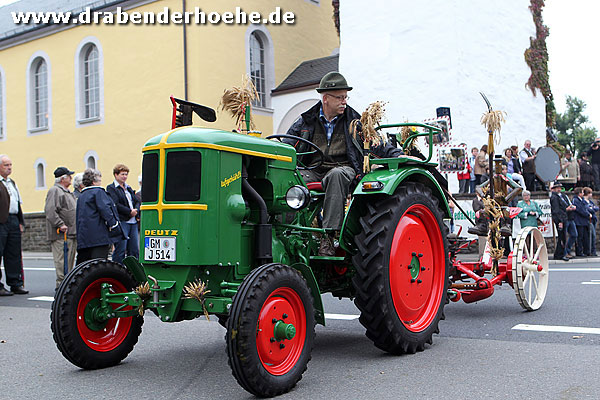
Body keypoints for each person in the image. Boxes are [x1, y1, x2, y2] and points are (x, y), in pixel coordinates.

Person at [285, 71, 402, 256]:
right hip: (314, 170)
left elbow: (377, 144)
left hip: (344, 169)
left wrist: (399, 155)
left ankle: (329, 237)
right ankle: (288, 231)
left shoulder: (355, 122)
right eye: (339, 97)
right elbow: (287, 145)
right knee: (290, 178)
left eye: (346, 97)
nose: (344, 102)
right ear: (325, 99)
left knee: (336, 175)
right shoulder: (306, 120)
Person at [76, 169, 123, 264]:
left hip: (84, 236)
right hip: (99, 235)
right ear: (94, 182)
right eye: (99, 180)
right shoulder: (98, 192)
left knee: (85, 264)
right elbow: (105, 209)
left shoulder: (82, 195)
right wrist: (114, 225)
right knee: (99, 264)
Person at [44, 167, 77, 289]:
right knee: (62, 261)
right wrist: (60, 224)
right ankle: (61, 286)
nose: (71, 178)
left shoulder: (67, 192)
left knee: (69, 262)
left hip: (70, 233)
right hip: (61, 234)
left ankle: (66, 285)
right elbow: (50, 210)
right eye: (69, 176)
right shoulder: (55, 191)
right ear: (62, 179)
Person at [0, 155, 28, 296]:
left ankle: (15, 283)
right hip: (1, 221)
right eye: (6, 165)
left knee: (14, 254)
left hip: (13, 220)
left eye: (10, 164)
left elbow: (17, 203)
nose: (9, 167)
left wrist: (20, 221)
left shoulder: (12, 182)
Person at [106, 164, 140, 264]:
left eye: (126, 174)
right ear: (116, 175)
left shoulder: (128, 188)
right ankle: (117, 268)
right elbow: (115, 204)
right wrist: (129, 212)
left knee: (134, 248)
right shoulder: (112, 188)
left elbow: (136, 201)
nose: (125, 176)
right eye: (122, 174)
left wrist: (136, 210)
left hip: (133, 221)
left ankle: (133, 269)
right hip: (122, 221)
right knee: (121, 247)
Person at [550, 182, 569, 261]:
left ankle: (559, 254)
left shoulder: (559, 196)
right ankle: (560, 254)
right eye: (557, 188)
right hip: (559, 219)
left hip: (563, 218)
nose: (559, 189)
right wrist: (560, 221)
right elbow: (556, 210)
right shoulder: (554, 197)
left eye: (559, 188)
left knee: (563, 237)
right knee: (561, 237)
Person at [572, 187, 591, 257]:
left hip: (584, 221)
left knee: (585, 237)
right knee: (579, 237)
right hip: (579, 221)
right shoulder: (575, 200)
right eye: (582, 192)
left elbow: (586, 207)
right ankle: (579, 252)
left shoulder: (582, 200)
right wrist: (588, 214)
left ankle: (586, 251)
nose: (583, 194)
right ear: (579, 193)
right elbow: (580, 210)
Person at [584, 187, 598, 256]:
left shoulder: (590, 202)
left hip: (593, 220)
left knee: (593, 236)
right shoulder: (584, 201)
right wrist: (592, 209)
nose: (591, 195)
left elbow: (596, 208)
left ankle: (593, 251)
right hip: (588, 220)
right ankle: (591, 251)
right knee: (592, 236)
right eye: (590, 193)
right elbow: (588, 209)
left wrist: (592, 208)